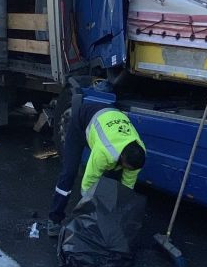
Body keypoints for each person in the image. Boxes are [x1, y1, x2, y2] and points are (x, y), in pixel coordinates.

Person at [45, 96, 147, 236]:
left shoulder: (138, 153)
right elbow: (88, 184)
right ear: (122, 157)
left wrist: (120, 214)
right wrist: (86, 216)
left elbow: (126, 186)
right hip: (80, 123)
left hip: (106, 121)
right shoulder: (105, 152)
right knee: (69, 172)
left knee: (113, 180)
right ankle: (54, 219)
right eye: (127, 167)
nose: (128, 171)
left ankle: (104, 219)